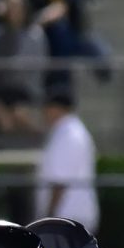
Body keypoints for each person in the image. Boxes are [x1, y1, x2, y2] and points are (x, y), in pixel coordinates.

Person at [33, 94, 98, 229]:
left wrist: (48, 218)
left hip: (66, 216)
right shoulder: (73, 130)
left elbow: (60, 180)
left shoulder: (68, 134)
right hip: (72, 215)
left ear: (55, 109)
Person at [0, 0, 45, 133]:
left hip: (27, 90)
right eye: (10, 6)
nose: (14, 11)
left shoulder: (35, 35)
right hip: (2, 90)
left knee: (20, 113)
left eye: (17, 6)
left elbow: (37, 69)